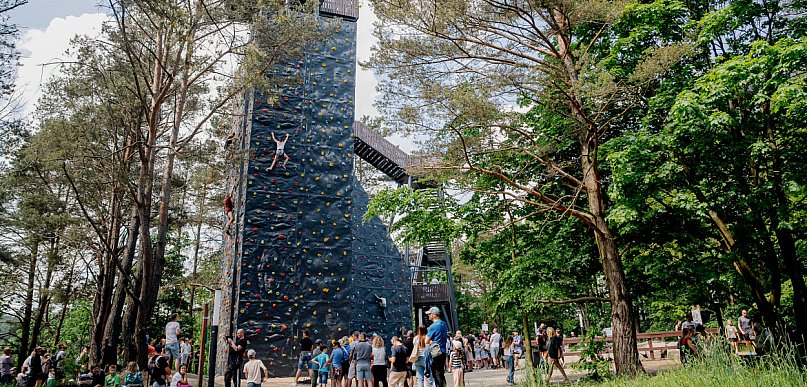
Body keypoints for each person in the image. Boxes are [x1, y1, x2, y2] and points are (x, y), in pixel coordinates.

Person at [425, 307, 448, 387]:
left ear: (434, 315)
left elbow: (426, 341)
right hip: (443, 351)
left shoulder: (433, 326)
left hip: (435, 352)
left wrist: (432, 341)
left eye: (429, 314)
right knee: (441, 374)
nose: (428, 316)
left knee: (436, 375)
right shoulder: (444, 324)